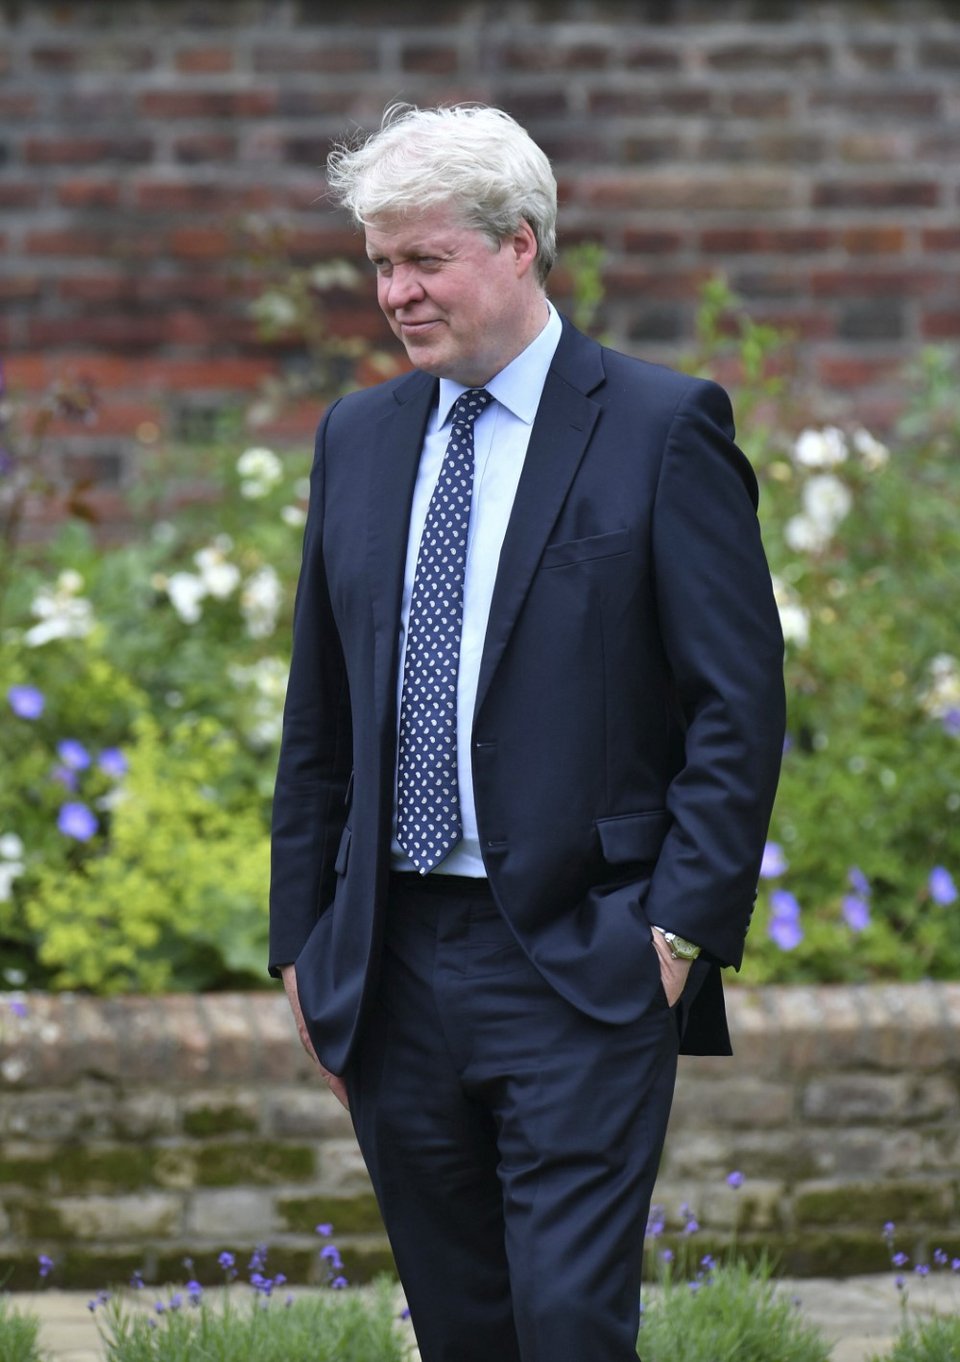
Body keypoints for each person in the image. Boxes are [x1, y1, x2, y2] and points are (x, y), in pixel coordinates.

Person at [270, 102, 785, 1362]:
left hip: (582, 959)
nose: (395, 292)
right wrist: (302, 948)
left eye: (424, 259)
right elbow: (318, 714)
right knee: (463, 1331)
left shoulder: (662, 428)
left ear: (519, 243)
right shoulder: (358, 437)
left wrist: (675, 933)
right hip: (391, 964)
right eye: (380, 263)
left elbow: (737, 704)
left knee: (567, 1327)